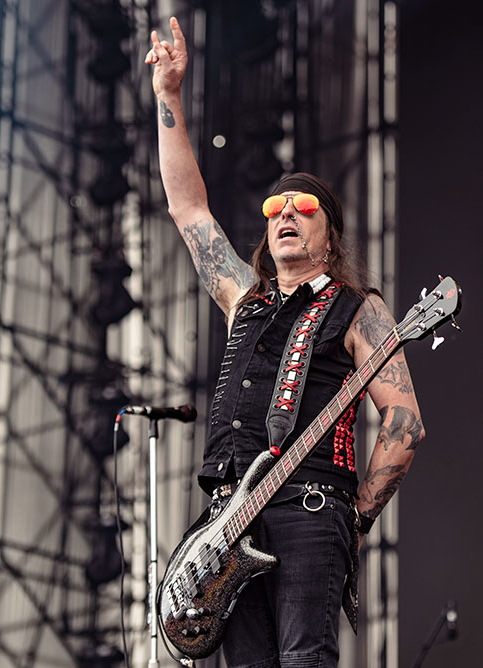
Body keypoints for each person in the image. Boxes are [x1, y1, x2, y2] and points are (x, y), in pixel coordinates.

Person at [146, 18, 425, 668]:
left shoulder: (358, 309)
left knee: (304, 660)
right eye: (275, 210)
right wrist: (169, 95)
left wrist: (355, 519)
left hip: (311, 509)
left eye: (303, 207)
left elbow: (405, 422)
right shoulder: (243, 298)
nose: (286, 215)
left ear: (330, 235)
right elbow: (188, 210)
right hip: (226, 526)